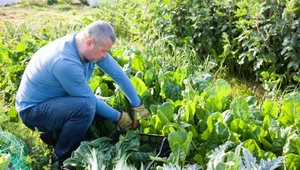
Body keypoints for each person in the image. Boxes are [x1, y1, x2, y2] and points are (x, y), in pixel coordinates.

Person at [15, 20, 150, 169]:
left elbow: (119, 75)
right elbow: (89, 100)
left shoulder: (85, 48)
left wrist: (137, 105)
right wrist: (119, 117)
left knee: (104, 103)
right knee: (86, 108)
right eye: (104, 51)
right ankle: (61, 158)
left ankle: (55, 134)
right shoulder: (64, 61)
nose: (105, 55)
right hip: (33, 111)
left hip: (57, 100)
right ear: (89, 42)